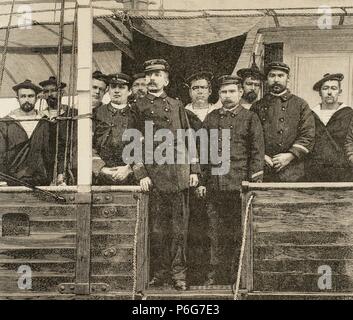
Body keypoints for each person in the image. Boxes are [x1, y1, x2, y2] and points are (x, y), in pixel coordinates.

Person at [132, 58, 200, 291]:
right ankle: (160, 273)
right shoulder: (138, 106)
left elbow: (188, 136)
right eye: (149, 74)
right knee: (158, 230)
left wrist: (193, 169)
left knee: (180, 230)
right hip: (155, 177)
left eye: (158, 74)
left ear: (166, 80)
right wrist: (140, 172)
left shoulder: (176, 104)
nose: (152, 78)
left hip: (179, 175)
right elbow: (132, 142)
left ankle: (179, 274)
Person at [198, 75, 264, 285]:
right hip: (215, 186)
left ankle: (239, 277)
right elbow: (202, 152)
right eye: (223, 92)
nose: (227, 96)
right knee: (215, 233)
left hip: (239, 186)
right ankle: (216, 276)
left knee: (239, 232)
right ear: (218, 94)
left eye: (232, 91)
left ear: (240, 92)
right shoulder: (211, 118)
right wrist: (201, 181)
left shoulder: (250, 117)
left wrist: (253, 182)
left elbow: (257, 152)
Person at [250, 61, 315, 182]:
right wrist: (262, 156)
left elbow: (308, 135)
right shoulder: (257, 106)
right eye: (272, 75)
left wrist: (290, 156)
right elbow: (250, 136)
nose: (276, 80)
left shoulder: (300, 104)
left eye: (280, 76)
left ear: (288, 79)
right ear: (266, 79)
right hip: (264, 168)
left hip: (293, 170)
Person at [183, 70, 218, 285]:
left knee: (213, 227)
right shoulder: (183, 113)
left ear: (210, 91)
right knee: (191, 227)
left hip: (215, 177)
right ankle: (193, 274)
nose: (199, 92)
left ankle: (213, 274)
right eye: (195, 88)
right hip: (190, 177)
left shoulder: (218, 113)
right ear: (189, 91)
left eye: (203, 88)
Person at [0, 80, 53, 186]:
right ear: (17, 99)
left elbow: (50, 153)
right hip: (14, 180)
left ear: (37, 98)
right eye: (23, 96)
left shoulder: (45, 122)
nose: (27, 100)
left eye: (30, 96)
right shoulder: (6, 123)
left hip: (41, 180)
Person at [306, 73, 353, 181]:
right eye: (325, 88)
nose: (329, 92)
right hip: (313, 172)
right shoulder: (309, 115)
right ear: (319, 92)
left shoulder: (349, 114)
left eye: (334, 88)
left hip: (343, 172)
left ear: (340, 92)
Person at [93, 73, 138, 185]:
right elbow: (88, 145)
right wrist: (101, 169)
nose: (116, 91)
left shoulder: (137, 114)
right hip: (102, 177)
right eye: (113, 87)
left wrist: (129, 168)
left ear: (130, 91)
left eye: (121, 87)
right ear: (108, 90)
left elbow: (145, 146)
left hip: (130, 176)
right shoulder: (98, 113)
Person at [39, 76, 77, 185]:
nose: (50, 94)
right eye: (46, 91)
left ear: (62, 93)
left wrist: (62, 171)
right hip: (46, 168)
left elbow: (71, 145)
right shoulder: (40, 117)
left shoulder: (72, 114)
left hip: (67, 167)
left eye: (54, 91)